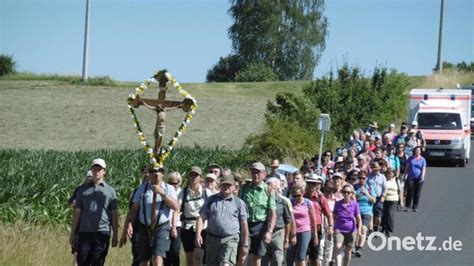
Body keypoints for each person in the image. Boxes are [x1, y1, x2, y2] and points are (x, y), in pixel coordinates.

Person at [125, 166, 179, 266]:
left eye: (158, 171)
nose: (155, 174)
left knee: (157, 259)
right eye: (152, 171)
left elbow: (175, 206)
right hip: (144, 227)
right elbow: (134, 208)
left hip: (161, 227)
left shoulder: (169, 188)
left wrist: (162, 194)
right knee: (144, 260)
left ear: (163, 173)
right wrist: (130, 224)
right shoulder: (143, 188)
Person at [69, 158, 119, 266]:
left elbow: (113, 214)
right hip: (84, 232)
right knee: (83, 262)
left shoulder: (110, 191)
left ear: (104, 171)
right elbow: (77, 213)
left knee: (98, 262)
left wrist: (115, 234)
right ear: (91, 170)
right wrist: (73, 233)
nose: (96, 171)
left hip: (102, 232)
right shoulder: (82, 190)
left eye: (99, 169)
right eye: (94, 168)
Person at [195, 174, 249, 266]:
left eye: (229, 185)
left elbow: (244, 224)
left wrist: (245, 243)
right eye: (224, 185)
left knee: (225, 264)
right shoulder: (211, 200)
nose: (226, 187)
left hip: (230, 239)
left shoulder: (239, 203)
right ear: (220, 186)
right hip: (212, 238)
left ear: (233, 187)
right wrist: (198, 234)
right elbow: (201, 218)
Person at [239, 162, 276, 266]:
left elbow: (272, 212)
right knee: (243, 253)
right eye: (253, 172)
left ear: (264, 174)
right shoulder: (245, 188)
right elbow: (238, 205)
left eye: (258, 172)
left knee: (257, 256)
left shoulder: (268, 190)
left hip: (261, 226)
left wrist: (269, 231)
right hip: (246, 224)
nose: (255, 175)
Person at [119, 165, 151, 266]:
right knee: (138, 257)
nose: (146, 174)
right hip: (137, 228)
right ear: (141, 174)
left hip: (153, 227)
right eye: (144, 172)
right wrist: (124, 234)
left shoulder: (157, 190)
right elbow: (130, 213)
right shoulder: (135, 192)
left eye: (149, 172)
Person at [178, 166, 209, 266]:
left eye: (196, 175)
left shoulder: (206, 192)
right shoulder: (183, 192)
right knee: (189, 256)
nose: (194, 177)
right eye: (192, 175)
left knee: (198, 255)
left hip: (203, 227)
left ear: (200, 177)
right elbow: (177, 208)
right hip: (187, 227)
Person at [262, 177, 295, 266]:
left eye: (273, 188)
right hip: (264, 232)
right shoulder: (262, 201)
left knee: (278, 259)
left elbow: (288, 221)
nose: (270, 190)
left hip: (278, 233)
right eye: (268, 187)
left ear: (278, 189)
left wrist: (287, 239)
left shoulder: (283, 202)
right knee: (264, 260)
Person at [305, 174, 334, 266]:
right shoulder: (302, 197)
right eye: (309, 184)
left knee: (315, 257)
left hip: (316, 231)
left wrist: (330, 226)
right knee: (303, 255)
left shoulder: (321, 198)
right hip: (303, 229)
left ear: (317, 185)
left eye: (314, 184)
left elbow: (329, 214)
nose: (311, 186)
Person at [287, 185, 318, 266]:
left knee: (301, 255)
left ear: (303, 193)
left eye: (298, 195)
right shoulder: (290, 202)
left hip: (305, 230)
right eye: (294, 196)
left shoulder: (308, 203)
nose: (296, 198)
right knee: (290, 256)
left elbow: (313, 219)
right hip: (293, 231)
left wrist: (315, 234)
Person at [332, 184, 362, 266]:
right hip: (339, 229)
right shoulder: (338, 203)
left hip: (351, 230)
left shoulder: (355, 205)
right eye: (344, 192)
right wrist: (331, 227)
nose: (346, 194)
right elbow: (333, 216)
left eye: (348, 192)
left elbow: (358, 218)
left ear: (351, 194)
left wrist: (359, 230)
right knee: (338, 247)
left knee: (348, 251)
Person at [68, 170, 93, 266]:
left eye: (91, 177)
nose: (90, 179)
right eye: (88, 177)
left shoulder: (97, 190)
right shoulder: (79, 189)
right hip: (79, 225)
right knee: (77, 252)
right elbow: (70, 203)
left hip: (91, 226)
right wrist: (74, 204)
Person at [353, 170, 376, 258]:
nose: (362, 180)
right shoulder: (355, 187)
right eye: (360, 178)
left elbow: (373, 201)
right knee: (355, 230)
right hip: (356, 211)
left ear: (366, 178)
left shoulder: (369, 187)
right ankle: (355, 245)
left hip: (367, 212)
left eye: (363, 178)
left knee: (363, 229)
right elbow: (352, 199)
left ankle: (359, 248)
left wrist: (366, 193)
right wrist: (358, 195)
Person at [165, 172, 183, 266]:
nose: (173, 185)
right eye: (171, 183)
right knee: (166, 252)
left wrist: (174, 226)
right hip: (166, 224)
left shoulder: (181, 192)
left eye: (175, 183)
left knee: (175, 251)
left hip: (178, 225)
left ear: (179, 183)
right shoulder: (166, 191)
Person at [318, 182, 337, 266]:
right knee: (321, 243)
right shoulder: (320, 199)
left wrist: (332, 225)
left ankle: (327, 261)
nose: (329, 193)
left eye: (331, 191)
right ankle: (319, 259)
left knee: (330, 242)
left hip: (331, 221)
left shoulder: (336, 200)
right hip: (322, 221)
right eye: (327, 191)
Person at [404, 146, 426, 212]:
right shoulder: (410, 158)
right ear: (414, 151)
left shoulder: (422, 159)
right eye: (416, 150)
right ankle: (408, 206)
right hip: (411, 177)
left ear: (420, 151)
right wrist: (405, 175)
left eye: (418, 150)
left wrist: (422, 176)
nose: (417, 151)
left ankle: (415, 206)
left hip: (419, 178)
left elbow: (423, 168)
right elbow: (407, 168)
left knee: (417, 193)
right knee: (410, 192)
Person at [367, 161, 386, 233]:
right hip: (371, 197)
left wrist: (383, 196)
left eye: (377, 169)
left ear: (379, 169)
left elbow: (385, 188)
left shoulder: (382, 177)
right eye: (374, 169)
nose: (375, 171)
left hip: (378, 198)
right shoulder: (368, 177)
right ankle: (371, 230)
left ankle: (376, 226)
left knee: (378, 217)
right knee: (371, 214)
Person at [381, 168, 399, 237]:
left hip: (393, 200)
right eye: (388, 173)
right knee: (384, 215)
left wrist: (402, 201)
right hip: (384, 200)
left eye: (391, 173)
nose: (389, 174)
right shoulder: (384, 180)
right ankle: (383, 228)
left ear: (393, 174)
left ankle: (389, 231)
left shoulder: (396, 180)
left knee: (390, 214)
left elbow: (400, 190)